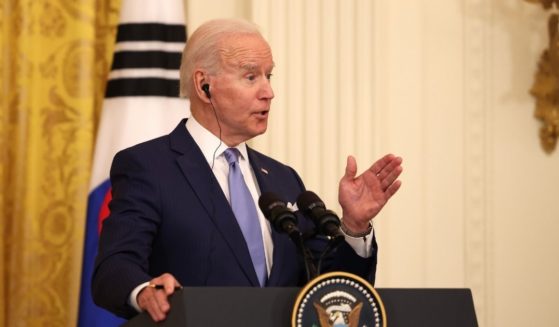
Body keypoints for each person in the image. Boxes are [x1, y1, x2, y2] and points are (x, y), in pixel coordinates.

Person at [91, 18, 403, 322]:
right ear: (204, 86)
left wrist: (354, 226)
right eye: (251, 77)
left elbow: (330, 294)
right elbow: (114, 267)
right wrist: (145, 291)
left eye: (269, 76)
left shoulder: (283, 178)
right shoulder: (149, 166)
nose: (269, 92)